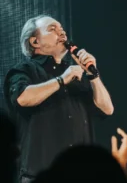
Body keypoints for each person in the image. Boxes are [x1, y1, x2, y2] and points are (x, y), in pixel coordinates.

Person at [3, 15, 114, 183]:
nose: (61, 32)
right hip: (39, 176)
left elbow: (107, 108)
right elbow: (22, 98)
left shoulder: (75, 73)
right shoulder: (25, 70)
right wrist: (62, 80)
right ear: (35, 42)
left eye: (62, 29)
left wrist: (93, 75)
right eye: (52, 29)